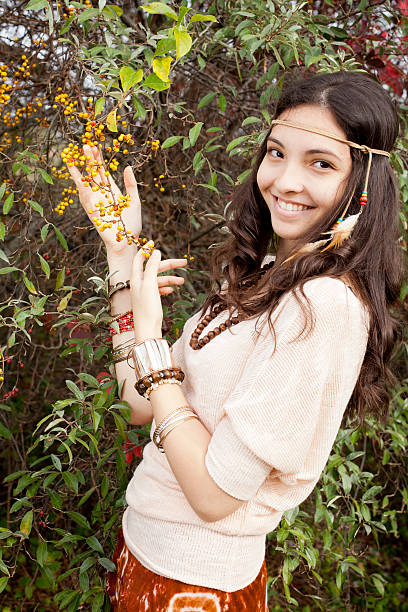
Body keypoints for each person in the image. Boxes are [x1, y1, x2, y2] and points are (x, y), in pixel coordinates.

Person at [67, 71, 403, 611]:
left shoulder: (326, 306)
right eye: (276, 153)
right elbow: (135, 401)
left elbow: (213, 496)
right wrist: (122, 263)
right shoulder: (266, 276)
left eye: (320, 163)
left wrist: (153, 338)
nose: (286, 180)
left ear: (362, 183)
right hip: (144, 559)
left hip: (195, 590)